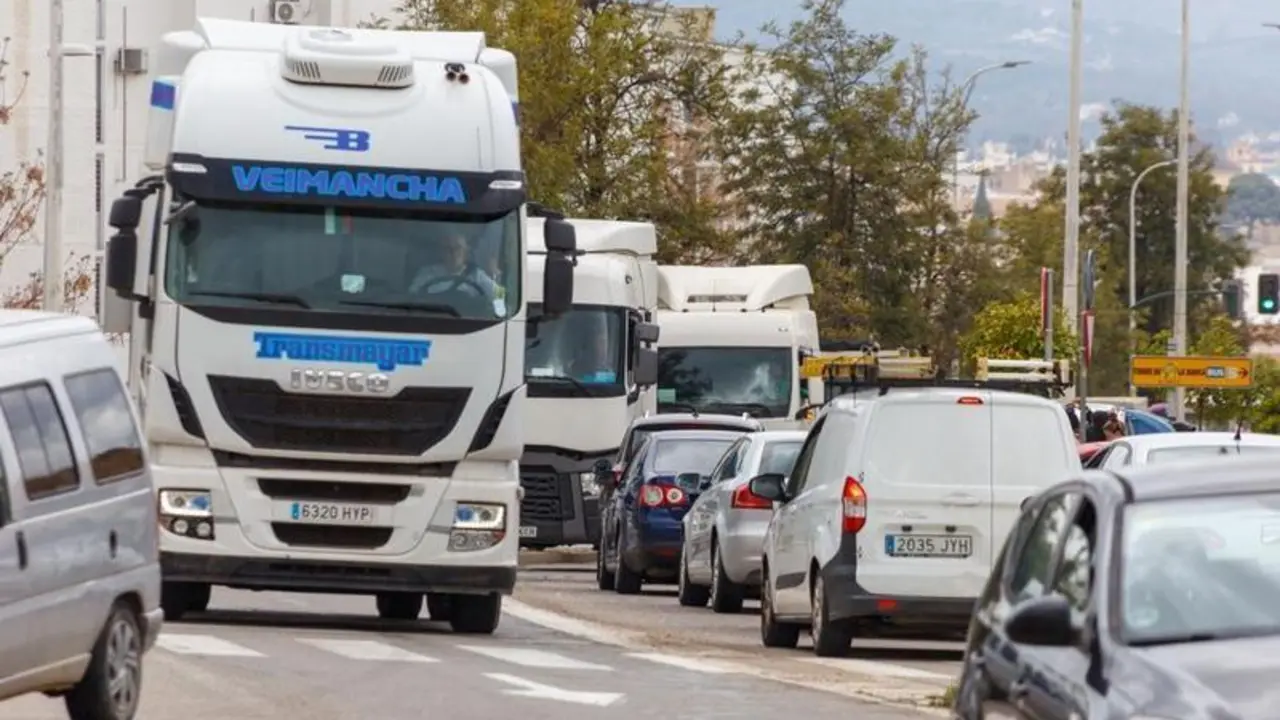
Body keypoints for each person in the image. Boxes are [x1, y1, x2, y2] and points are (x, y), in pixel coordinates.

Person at [409, 231, 499, 299]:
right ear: (441, 252)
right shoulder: (428, 273)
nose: (453, 253)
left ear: (465, 252)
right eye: (448, 248)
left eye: (458, 248)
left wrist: (494, 275)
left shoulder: (476, 275)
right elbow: (412, 296)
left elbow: (499, 295)